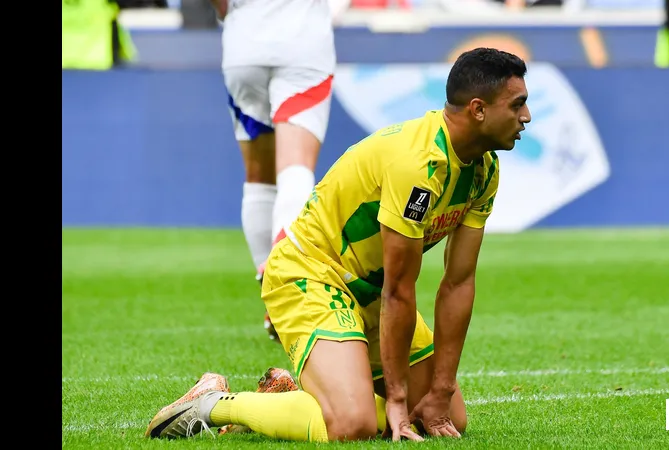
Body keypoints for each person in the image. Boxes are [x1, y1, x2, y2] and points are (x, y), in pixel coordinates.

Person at [144, 47, 531, 443]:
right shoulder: (418, 163)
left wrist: (441, 391)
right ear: (478, 109)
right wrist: (397, 398)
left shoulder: (484, 170)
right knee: (352, 423)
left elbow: (458, 283)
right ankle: (213, 403)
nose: (527, 116)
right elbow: (399, 289)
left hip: (370, 291)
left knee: (448, 418)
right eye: (517, 104)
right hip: (309, 272)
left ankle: (294, 399)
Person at [208, 0, 338, 341]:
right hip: (303, 42)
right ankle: (287, 292)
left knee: (259, 179)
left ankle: (271, 293)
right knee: (295, 169)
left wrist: (227, 12)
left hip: (244, 43)